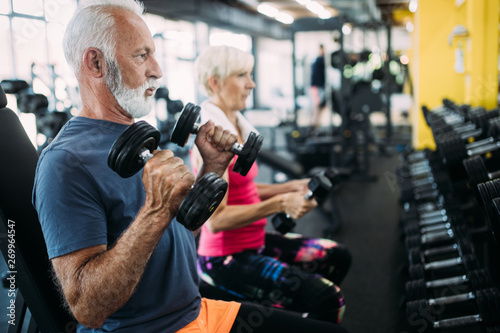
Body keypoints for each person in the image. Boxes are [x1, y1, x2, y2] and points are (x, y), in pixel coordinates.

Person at [32, 1, 349, 332]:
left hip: (195, 309)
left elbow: (183, 234)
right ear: (95, 62)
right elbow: (87, 307)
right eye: (141, 55)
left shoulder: (134, 137)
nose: (157, 69)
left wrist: (211, 169)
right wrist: (155, 211)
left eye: (152, 54)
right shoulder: (64, 163)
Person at [191, 45, 352, 325]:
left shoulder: (237, 127)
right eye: (242, 75)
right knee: (327, 299)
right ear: (214, 83)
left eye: (250, 75)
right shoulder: (212, 139)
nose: (251, 84)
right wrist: (279, 204)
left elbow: (245, 191)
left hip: (255, 241)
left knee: (337, 256)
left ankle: (299, 320)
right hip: (225, 258)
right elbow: (215, 221)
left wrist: (292, 187)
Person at [310, 44, 327, 128]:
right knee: (317, 105)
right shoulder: (319, 60)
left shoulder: (320, 60)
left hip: (319, 86)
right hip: (316, 86)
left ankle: (316, 122)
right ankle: (315, 124)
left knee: (322, 105)